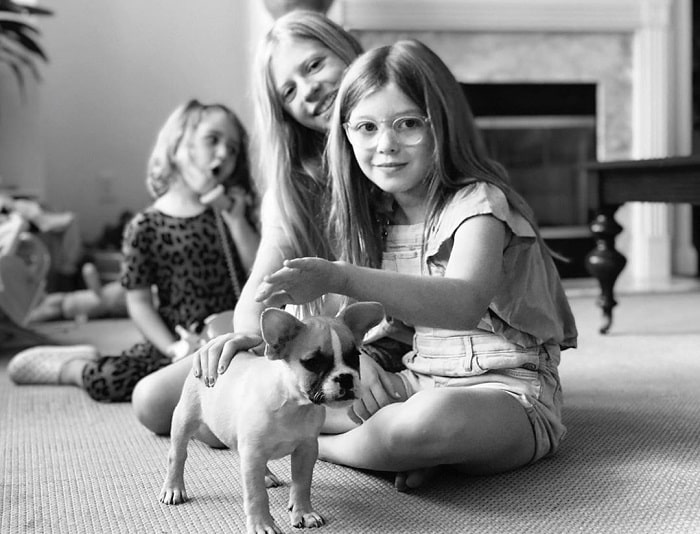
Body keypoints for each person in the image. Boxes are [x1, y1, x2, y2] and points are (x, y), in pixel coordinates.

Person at [253, 39, 578, 491]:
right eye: (365, 127)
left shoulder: (479, 205)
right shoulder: (377, 217)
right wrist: (368, 366)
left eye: (407, 123)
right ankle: (409, 452)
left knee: (421, 425)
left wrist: (339, 274)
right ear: (344, 134)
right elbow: (396, 328)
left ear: (440, 124)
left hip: (509, 395)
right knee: (278, 400)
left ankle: (316, 447)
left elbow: (461, 303)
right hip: (417, 381)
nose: (385, 145)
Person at [129, 10, 410, 437]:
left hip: (384, 343)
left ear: (346, 50)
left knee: (367, 409)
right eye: (289, 91)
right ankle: (330, 428)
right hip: (313, 350)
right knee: (154, 401)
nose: (309, 90)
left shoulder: (399, 153)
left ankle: (335, 429)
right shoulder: (294, 185)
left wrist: (357, 355)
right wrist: (247, 336)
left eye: (315, 65)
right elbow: (259, 289)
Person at [8, 99, 260, 403]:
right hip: (175, 338)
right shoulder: (145, 225)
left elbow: (257, 272)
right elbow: (138, 302)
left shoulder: (232, 215)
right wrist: (172, 348)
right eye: (213, 140)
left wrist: (236, 222)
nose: (223, 153)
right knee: (114, 380)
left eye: (232, 149)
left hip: (228, 336)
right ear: (177, 145)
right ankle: (73, 367)